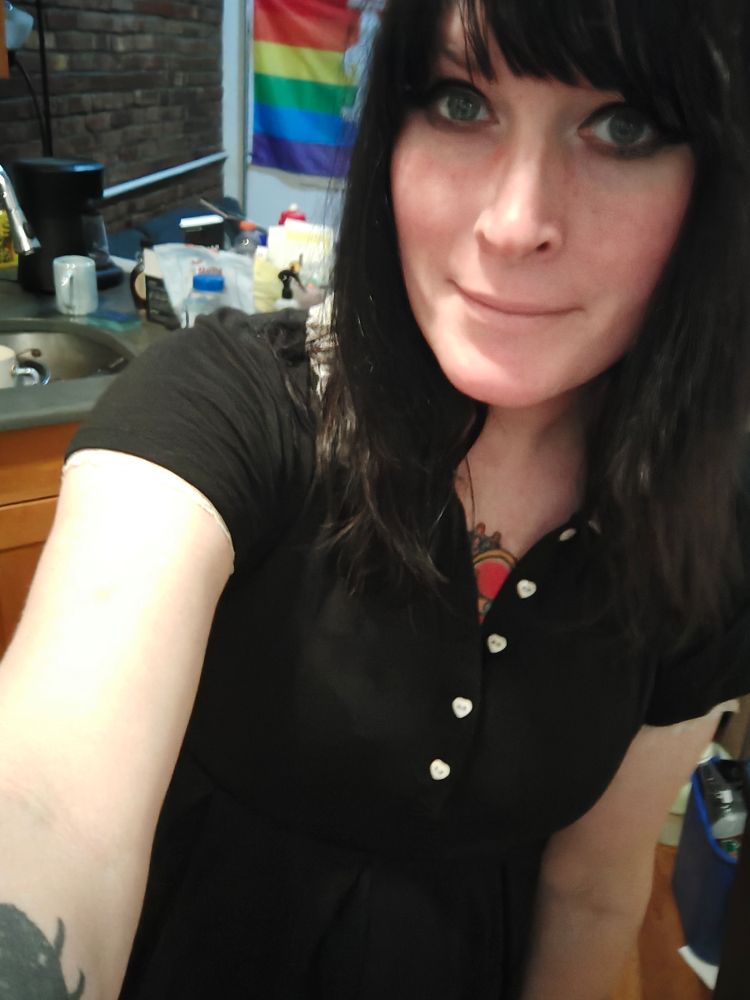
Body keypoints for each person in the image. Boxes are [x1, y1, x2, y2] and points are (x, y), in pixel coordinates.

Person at [2, 0, 750, 997]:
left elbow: (593, 892)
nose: (513, 222)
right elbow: (48, 808)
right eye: (460, 103)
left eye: (624, 125)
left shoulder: (709, 522)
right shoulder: (231, 406)